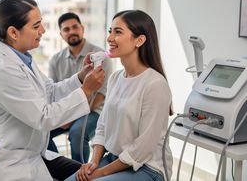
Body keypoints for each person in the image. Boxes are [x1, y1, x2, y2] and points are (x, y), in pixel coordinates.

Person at [0, 0, 105, 181]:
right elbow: (44, 117)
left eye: (41, 23)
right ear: (13, 33)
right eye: (35, 26)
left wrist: (81, 78)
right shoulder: (2, 69)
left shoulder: (21, 57)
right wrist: (86, 91)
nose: (43, 30)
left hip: (29, 153)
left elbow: (49, 92)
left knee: (87, 176)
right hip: (6, 161)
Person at [66, 10, 173, 181]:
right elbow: (102, 126)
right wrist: (94, 163)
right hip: (114, 159)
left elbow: (143, 149)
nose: (109, 38)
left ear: (140, 40)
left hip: (147, 168)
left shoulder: (155, 84)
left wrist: (101, 173)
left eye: (118, 32)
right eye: (110, 31)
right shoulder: (116, 78)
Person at [48, 12, 113, 163]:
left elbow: (101, 96)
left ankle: (79, 173)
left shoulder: (100, 56)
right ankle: (58, 167)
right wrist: (64, 114)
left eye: (75, 27)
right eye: (66, 29)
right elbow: (54, 93)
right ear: (61, 34)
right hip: (65, 110)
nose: (71, 31)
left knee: (77, 133)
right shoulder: (55, 60)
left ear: (82, 29)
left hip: (94, 111)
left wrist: (70, 118)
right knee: (41, 130)